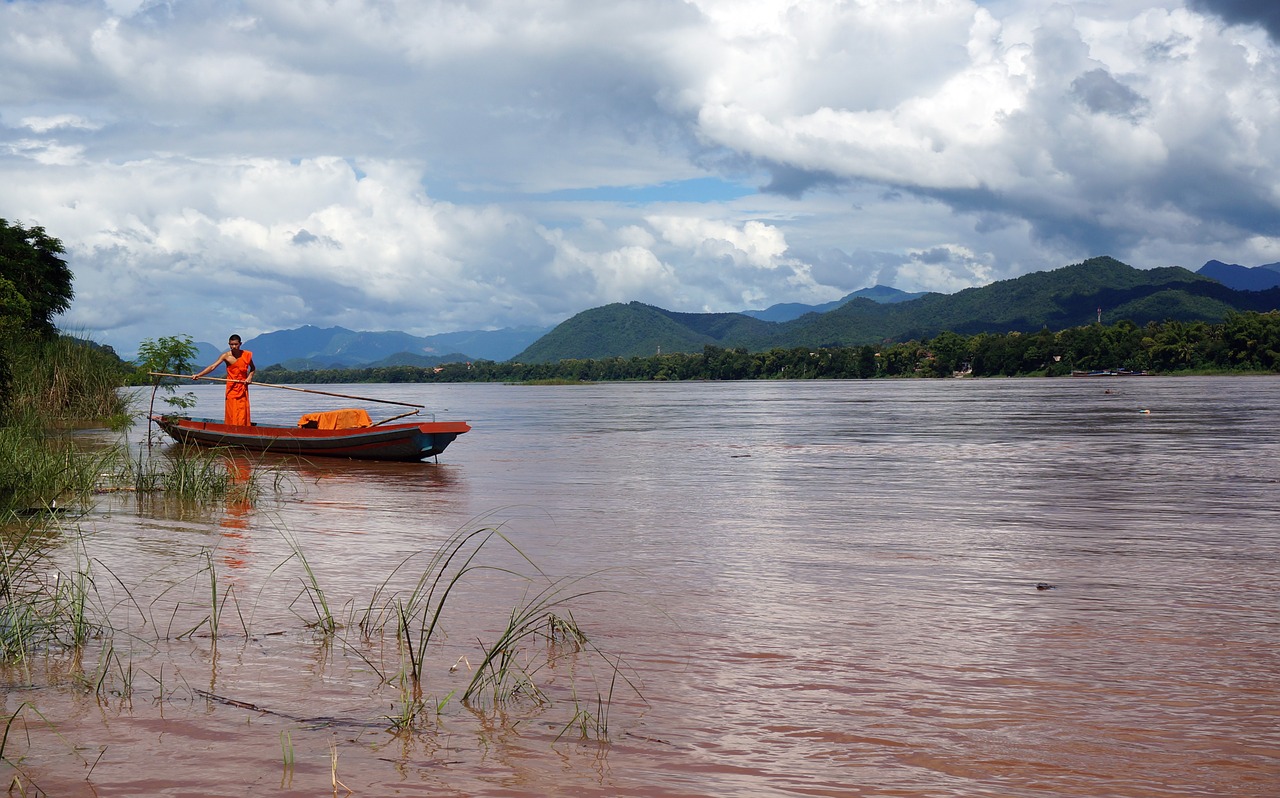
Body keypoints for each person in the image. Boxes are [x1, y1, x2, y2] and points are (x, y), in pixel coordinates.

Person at [192, 334, 256, 426]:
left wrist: (249, 377)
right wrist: (199, 375)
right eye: (231, 344)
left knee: (242, 411)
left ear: (240, 344)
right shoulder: (226, 356)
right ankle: (231, 429)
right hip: (231, 388)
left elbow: (253, 368)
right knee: (232, 411)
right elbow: (213, 366)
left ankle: (243, 429)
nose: (234, 347)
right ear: (229, 344)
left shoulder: (246, 355)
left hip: (243, 387)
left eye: (236, 344)